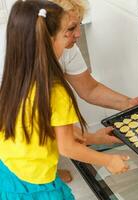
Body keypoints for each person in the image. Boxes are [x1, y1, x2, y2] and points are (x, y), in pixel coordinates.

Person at [0, 0, 129, 199]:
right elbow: (66, 146)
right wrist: (108, 160)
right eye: (65, 33)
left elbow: (51, 129)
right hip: (36, 183)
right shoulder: (55, 92)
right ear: (47, 41)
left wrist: (95, 138)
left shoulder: (15, 77)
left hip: (9, 171)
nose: (72, 36)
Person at [47, 0, 138, 183]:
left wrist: (127, 104)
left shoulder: (66, 50)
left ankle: (43, 171)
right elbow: (61, 140)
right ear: (48, 31)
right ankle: (42, 174)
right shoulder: (18, 61)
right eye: (71, 28)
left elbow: (90, 89)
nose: (78, 33)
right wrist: (106, 159)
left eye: (79, 24)